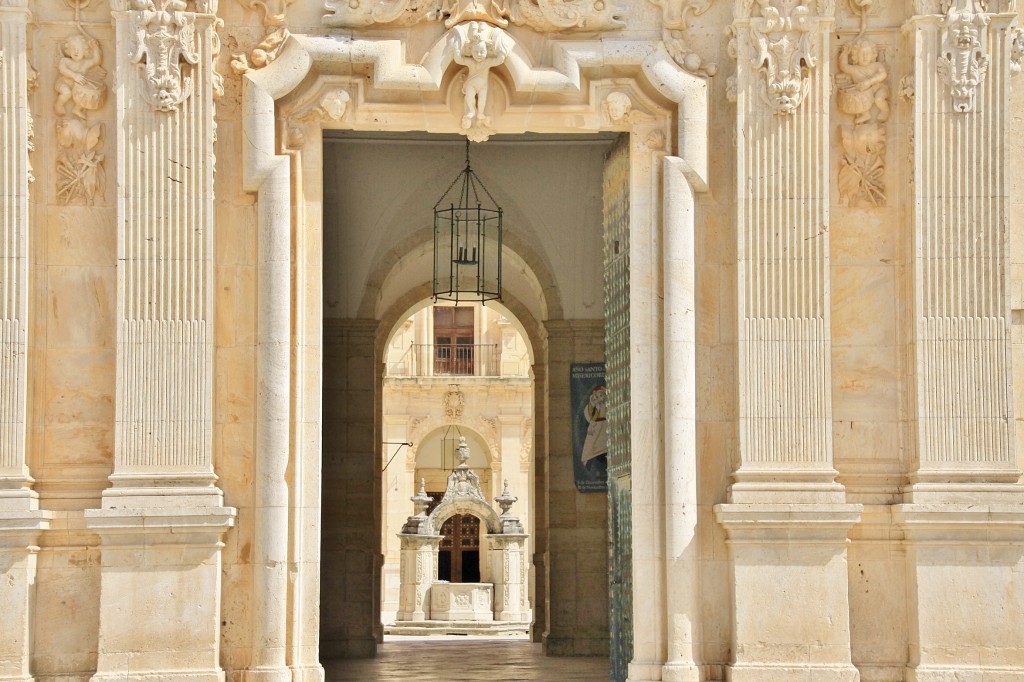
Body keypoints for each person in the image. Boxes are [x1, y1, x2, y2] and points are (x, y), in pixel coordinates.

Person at [580, 385, 608, 480]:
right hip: (597, 427)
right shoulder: (598, 406)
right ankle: (588, 462)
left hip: (605, 426)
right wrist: (592, 424)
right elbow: (593, 415)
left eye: (602, 395)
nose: (601, 398)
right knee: (591, 446)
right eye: (599, 396)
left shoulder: (606, 404)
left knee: (604, 446)